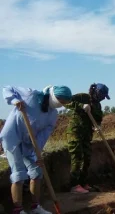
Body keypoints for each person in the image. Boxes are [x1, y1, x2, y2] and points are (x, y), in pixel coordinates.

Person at [0, 85, 72, 214]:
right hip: (12, 137)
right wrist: (15, 101)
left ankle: (35, 207)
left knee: (37, 171)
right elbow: (8, 88)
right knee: (19, 173)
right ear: (54, 96)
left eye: (64, 104)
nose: (61, 105)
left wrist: (37, 153)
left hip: (29, 143)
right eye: (61, 101)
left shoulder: (52, 114)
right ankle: (18, 210)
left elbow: (43, 136)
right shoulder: (31, 95)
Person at [65, 83, 110, 194]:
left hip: (87, 134)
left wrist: (97, 126)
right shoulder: (83, 97)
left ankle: (83, 183)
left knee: (87, 158)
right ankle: (74, 185)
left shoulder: (98, 105)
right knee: (77, 157)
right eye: (103, 95)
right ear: (97, 93)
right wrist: (81, 106)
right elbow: (66, 102)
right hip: (75, 131)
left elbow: (98, 118)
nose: (104, 98)